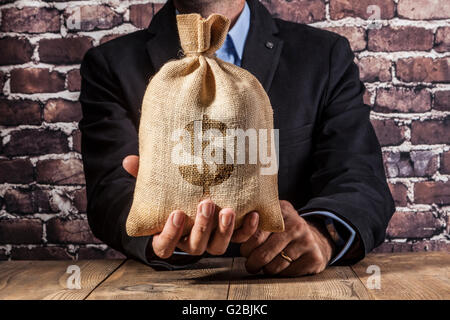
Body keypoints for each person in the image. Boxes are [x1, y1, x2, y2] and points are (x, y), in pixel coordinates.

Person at [79, 0, 395, 276]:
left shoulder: (323, 56)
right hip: (168, 284)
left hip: (294, 282)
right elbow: (110, 189)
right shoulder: (111, 64)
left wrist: (322, 235)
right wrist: (165, 236)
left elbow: (360, 177)